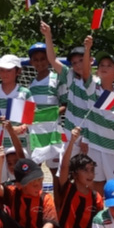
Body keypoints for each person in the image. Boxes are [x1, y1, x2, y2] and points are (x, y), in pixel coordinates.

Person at [79, 36, 114, 192]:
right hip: (94, 146)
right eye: (101, 65)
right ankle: (99, 208)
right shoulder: (92, 88)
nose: (104, 67)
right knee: (97, 185)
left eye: (109, 65)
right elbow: (85, 72)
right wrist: (87, 49)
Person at [53, 128, 104, 228]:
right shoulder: (68, 188)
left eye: (92, 170)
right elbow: (64, 166)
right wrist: (72, 141)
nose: (90, 174)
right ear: (75, 173)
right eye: (85, 170)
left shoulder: (96, 197)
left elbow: (99, 222)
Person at [27, 22, 69, 178]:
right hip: (35, 132)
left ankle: (59, 195)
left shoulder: (56, 79)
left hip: (53, 130)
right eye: (36, 60)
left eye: (43, 59)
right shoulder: (31, 84)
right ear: (31, 62)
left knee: (56, 172)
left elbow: (65, 104)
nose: (39, 63)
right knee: (34, 170)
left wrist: (49, 114)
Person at [0, 53, 33, 182]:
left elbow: (31, 118)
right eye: (2, 70)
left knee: (20, 180)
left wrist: (21, 128)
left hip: (19, 144)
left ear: (18, 71)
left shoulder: (24, 93)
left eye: (8, 70)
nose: (4, 74)